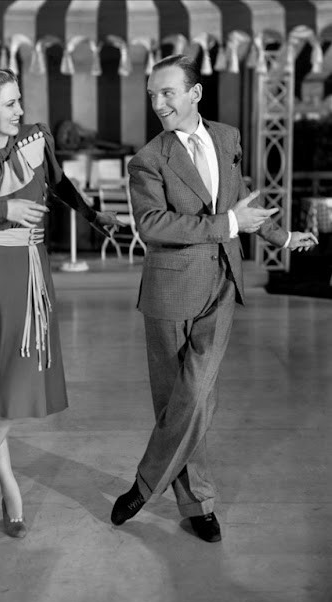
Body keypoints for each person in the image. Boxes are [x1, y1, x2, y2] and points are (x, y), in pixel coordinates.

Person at [110, 55, 318, 542]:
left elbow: (240, 200)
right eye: (152, 95)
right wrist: (228, 226)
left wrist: (282, 238)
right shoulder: (148, 160)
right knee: (178, 402)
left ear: (194, 93)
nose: (158, 103)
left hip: (223, 282)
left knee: (198, 393)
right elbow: (153, 225)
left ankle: (145, 484)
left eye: (167, 93)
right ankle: (198, 503)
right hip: (169, 290)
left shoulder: (227, 139)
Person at [0, 68, 119, 539]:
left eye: (20, 101)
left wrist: (94, 215)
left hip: (31, 279)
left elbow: (60, 183)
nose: (20, 111)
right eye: (10, 103)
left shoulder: (36, 141)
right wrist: (3, 208)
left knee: (7, 393)